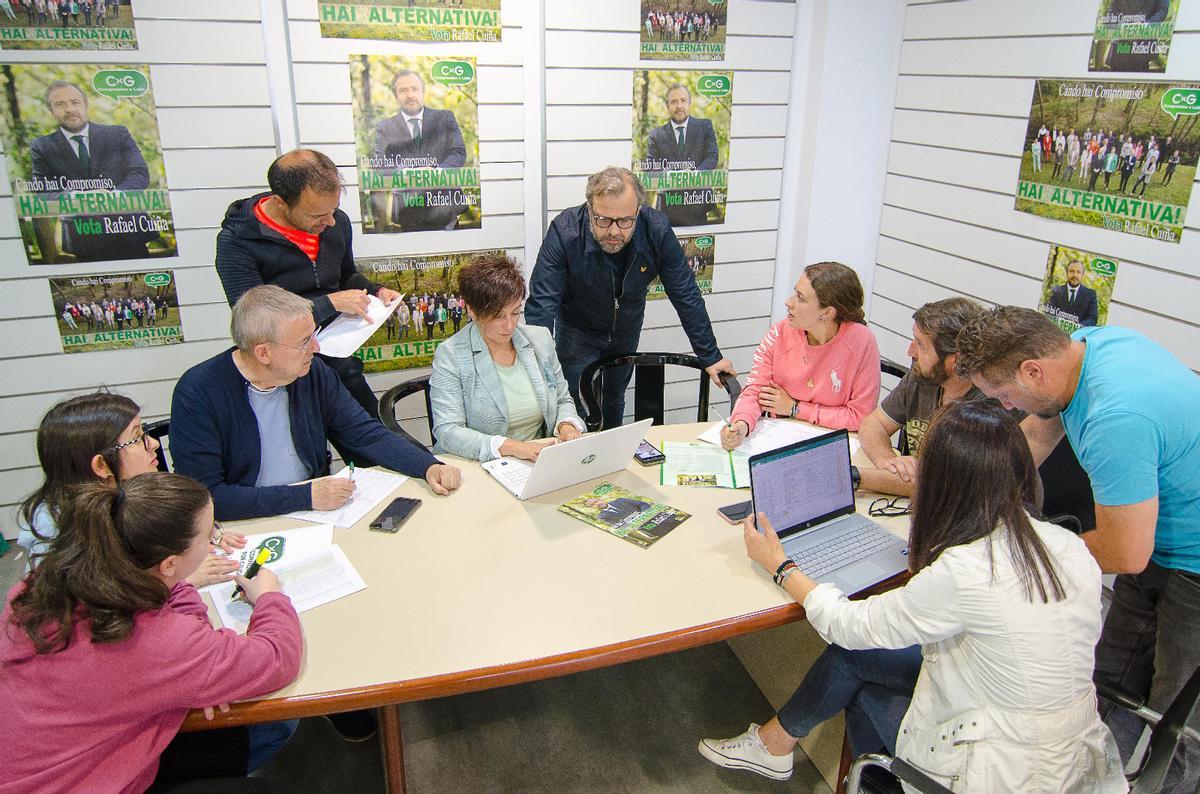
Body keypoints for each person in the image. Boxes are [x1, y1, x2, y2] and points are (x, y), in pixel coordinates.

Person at [699, 400, 1125, 791]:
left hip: (998, 772)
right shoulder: (1065, 543)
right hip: (1073, 757)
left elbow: (850, 625)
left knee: (859, 680)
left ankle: (816, 760)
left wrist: (781, 566)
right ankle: (775, 744)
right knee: (855, 659)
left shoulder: (965, 571)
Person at [955, 307, 1200, 792]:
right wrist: (975, 514)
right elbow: (1034, 435)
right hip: (1158, 544)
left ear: (1032, 370)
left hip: (1189, 565)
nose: (1004, 407)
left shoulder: (1117, 418)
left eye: (1003, 395)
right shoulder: (1084, 345)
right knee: (1106, 684)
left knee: (1179, 723)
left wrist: (1016, 553)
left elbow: (1125, 552)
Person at [0, 473, 303, 793]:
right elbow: (277, 657)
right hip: (77, 783)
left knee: (250, 728)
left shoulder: (42, 585)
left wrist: (195, 672)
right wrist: (270, 596)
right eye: (210, 535)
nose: (216, 537)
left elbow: (174, 633)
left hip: (35, 765)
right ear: (169, 564)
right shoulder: (148, 640)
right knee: (274, 735)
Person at [170, 285, 461, 522]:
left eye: (314, 335)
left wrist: (427, 465)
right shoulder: (198, 393)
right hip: (243, 526)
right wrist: (305, 497)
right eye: (304, 341)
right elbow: (206, 498)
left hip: (314, 518)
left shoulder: (312, 373)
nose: (316, 347)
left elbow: (364, 433)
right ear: (263, 352)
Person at [526, 166, 735, 429]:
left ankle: (612, 457)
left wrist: (710, 355)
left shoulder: (656, 229)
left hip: (626, 328)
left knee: (614, 399)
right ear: (589, 208)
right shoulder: (565, 231)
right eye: (603, 220)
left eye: (625, 221)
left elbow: (686, 294)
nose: (614, 232)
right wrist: (538, 370)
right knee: (577, 408)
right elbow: (541, 306)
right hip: (577, 330)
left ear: (638, 211)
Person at [214, 149, 403, 421]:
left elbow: (346, 275)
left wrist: (376, 291)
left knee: (377, 438)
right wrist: (331, 303)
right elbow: (254, 320)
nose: (330, 222)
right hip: (280, 374)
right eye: (318, 216)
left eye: (334, 210)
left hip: (338, 362)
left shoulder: (335, 224)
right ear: (281, 203)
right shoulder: (237, 242)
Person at [16, 391, 246, 590]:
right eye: (137, 438)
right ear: (101, 465)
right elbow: (96, 609)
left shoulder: (128, 494)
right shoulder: (56, 542)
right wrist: (176, 582)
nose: (154, 444)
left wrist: (197, 533)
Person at [429, 253, 584, 462]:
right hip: (480, 463)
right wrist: (511, 447)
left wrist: (567, 425)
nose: (509, 325)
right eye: (497, 316)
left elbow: (562, 399)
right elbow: (447, 431)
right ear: (472, 311)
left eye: (515, 313)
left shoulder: (539, 339)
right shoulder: (451, 354)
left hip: (539, 459)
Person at [721, 262, 879, 450]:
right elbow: (755, 391)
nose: (789, 302)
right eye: (794, 292)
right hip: (776, 441)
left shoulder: (861, 341)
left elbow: (859, 416)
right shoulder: (780, 332)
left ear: (827, 312)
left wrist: (795, 408)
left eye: (800, 298)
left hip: (832, 446)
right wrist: (741, 424)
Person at [856, 297, 987, 496]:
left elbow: (946, 487)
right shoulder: (922, 376)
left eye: (921, 345)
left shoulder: (987, 406)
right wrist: (888, 461)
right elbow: (873, 424)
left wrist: (854, 477)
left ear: (955, 359)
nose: (910, 351)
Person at [30, 80, 153, 262]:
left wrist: (114, 195)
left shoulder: (117, 134)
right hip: (84, 238)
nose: (70, 109)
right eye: (60, 104)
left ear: (85, 105)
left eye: (75, 102)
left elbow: (140, 173)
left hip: (129, 230)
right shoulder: (42, 146)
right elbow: (41, 192)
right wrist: (77, 197)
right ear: (51, 111)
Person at [370, 69, 468, 232]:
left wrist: (437, 171)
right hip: (408, 214)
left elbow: (458, 153)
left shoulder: (445, 118)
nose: (410, 95)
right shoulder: (385, 127)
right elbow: (379, 167)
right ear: (396, 95)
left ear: (422, 91)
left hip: (446, 211)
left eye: (414, 89)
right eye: (403, 90)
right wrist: (407, 173)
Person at [644, 83, 719, 227]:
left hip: (697, 203)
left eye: (683, 100)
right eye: (674, 102)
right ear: (668, 106)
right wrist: (672, 176)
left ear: (689, 103)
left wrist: (695, 174)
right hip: (668, 207)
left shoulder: (704, 127)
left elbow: (712, 157)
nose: (679, 105)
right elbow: (650, 169)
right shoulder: (656, 135)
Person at [1047, 259, 1099, 327]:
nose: (1075, 275)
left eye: (1078, 272)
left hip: (1078, 335)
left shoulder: (1090, 294)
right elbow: (1048, 313)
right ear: (1066, 273)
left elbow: (1092, 319)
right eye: (1072, 271)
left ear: (1082, 275)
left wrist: (1076, 327)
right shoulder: (1056, 291)